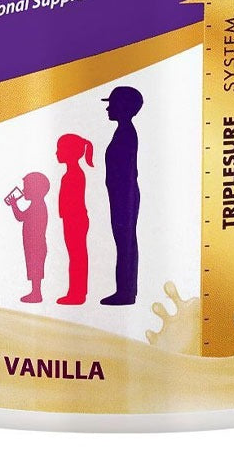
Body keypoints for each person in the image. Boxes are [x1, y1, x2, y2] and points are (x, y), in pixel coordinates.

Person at [100, 86, 143, 305]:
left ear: (124, 107)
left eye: (112, 104)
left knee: (125, 243)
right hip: (121, 194)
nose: (108, 108)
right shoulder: (123, 131)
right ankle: (126, 291)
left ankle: (125, 293)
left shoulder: (126, 133)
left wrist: (122, 198)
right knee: (125, 242)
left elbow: (126, 171)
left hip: (124, 196)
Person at [55, 134, 93, 305]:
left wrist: (68, 217)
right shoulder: (72, 173)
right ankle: (77, 292)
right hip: (72, 219)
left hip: (75, 220)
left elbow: (73, 202)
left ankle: (77, 294)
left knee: (77, 257)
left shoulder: (74, 174)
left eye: (59, 149)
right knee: (76, 256)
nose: (56, 153)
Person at [5, 172, 50, 303]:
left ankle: (36, 294)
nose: (24, 190)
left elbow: (20, 217)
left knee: (35, 270)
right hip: (34, 245)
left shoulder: (37, 206)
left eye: (27, 187)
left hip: (36, 246)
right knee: (34, 269)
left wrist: (14, 204)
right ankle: (35, 292)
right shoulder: (37, 205)